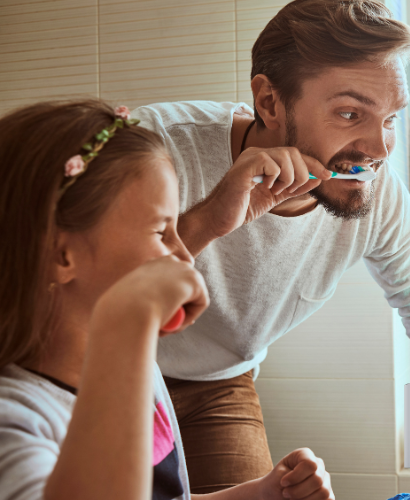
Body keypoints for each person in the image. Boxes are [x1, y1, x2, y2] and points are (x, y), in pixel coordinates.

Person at [131, 0, 410, 492]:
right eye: (350, 113)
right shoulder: (158, 147)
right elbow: (80, 293)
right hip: (107, 362)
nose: (380, 147)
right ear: (270, 104)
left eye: (390, 119)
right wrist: (209, 220)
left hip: (221, 383)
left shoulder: (380, 196)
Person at [0, 100, 333, 500]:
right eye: (161, 232)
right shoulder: (16, 423)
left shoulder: (141, 374)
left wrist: (261, 494)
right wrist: (125, 326)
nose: (183, 253)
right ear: (60, 255)